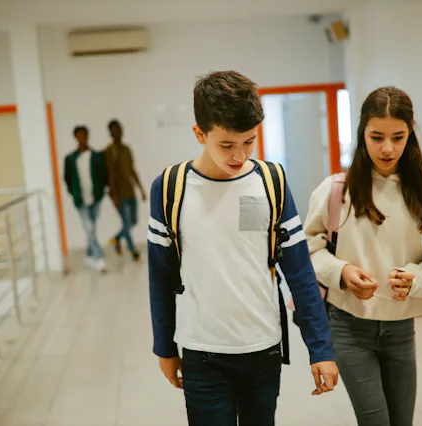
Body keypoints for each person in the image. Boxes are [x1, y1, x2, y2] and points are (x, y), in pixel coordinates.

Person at [148, 70, 338, 426]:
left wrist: (320, 348)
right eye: (226, 145)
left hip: (262, 349)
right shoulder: (170, 187)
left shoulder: (272, 182)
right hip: (201, 352)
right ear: (199, 134)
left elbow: (299, 272)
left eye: (249, 142)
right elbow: (160, 277)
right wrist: (164, 348)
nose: (239, 155)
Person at [304, 86, 422, 426]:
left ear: (410, 136)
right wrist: (342, 271)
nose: (387, 148)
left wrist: (417, 279)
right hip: (348, 325)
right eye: (376, 136)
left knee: (401, 421)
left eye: (398, 137)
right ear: (362, 133)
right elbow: (307, 249)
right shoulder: (337, 190)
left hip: (400, 327)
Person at [64, 126, 108, 272]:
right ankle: (100, 259)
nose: (82, 138)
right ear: (75, 137)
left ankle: (89, 255)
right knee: (89, 229)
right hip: (81, 200)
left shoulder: (96, 156)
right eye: (79, 135)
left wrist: (101, 192)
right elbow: (67, 179)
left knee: (92, 229)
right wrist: (74, 193)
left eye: (84, 135)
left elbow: (103, 174)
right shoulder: (70, 159)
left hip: (95, 199)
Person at [104, 119, 147, 262]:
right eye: (114, 130)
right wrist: (114, 195)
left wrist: (141, 189)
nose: (117, 132)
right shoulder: (109, 151)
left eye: (119, 129)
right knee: (127, 224)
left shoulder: (127, 149)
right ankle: (133, 251)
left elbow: (132, 170)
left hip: (130, 191)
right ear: (110, 133)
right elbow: (109, 173)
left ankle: (116, 239)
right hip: (119, 193)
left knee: (133, 222)